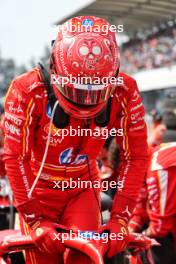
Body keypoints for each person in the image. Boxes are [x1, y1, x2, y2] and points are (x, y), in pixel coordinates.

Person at [3, 16, 148, 264]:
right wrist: (34, 218)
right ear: (55, 69)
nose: (87, 100)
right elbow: (15, 157)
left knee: (86, 259)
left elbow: (136, 156)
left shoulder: (125, 90)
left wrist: (120, 219)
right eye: (78, 90)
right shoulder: (26, 90)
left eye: (97, 91)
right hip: (38, 190)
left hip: (82, 187)